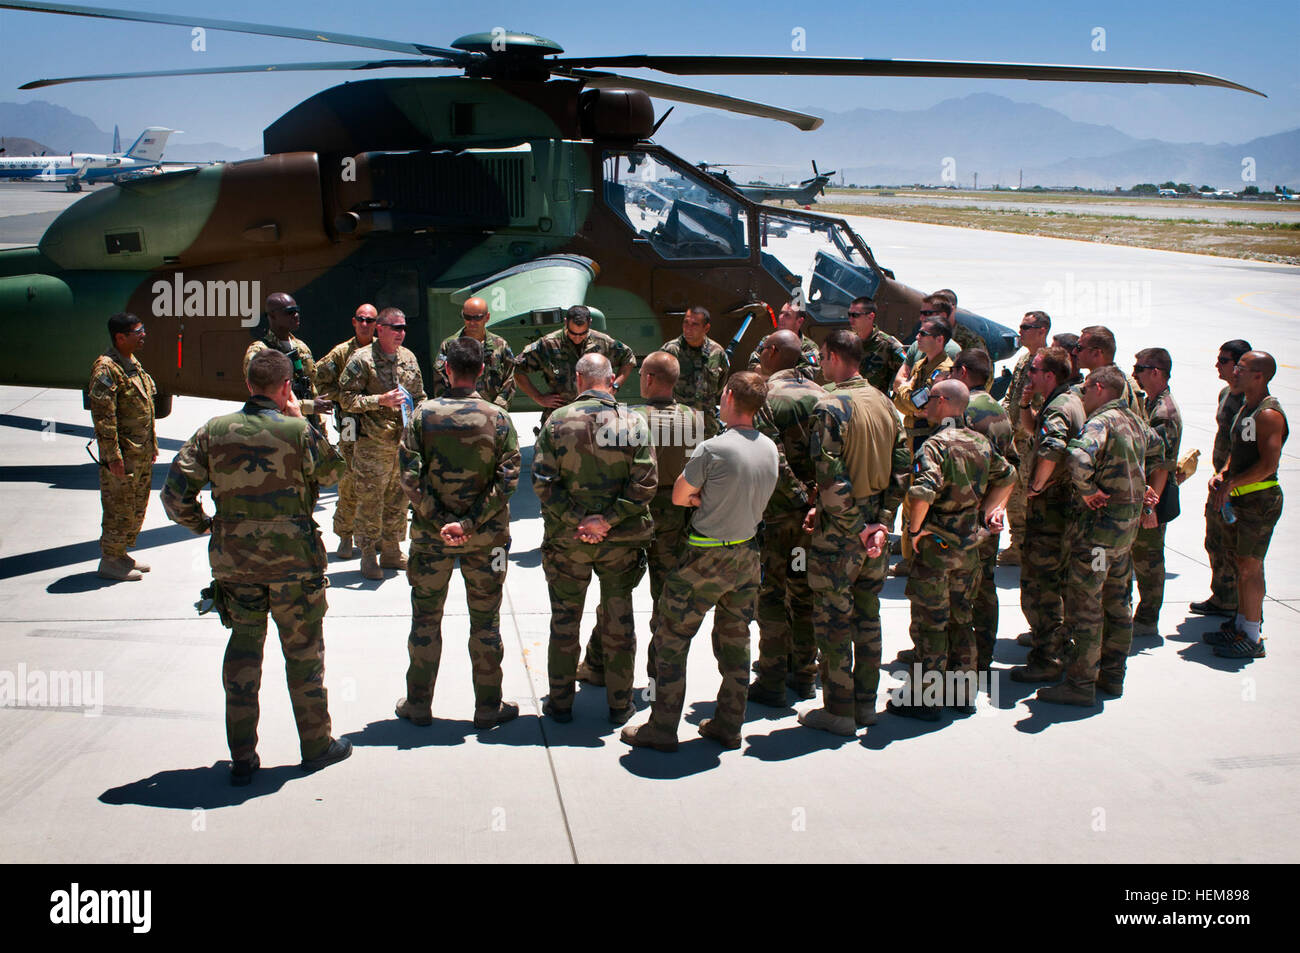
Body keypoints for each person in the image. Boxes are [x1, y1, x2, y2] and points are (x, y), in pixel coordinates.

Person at [161, 348, 351, 785]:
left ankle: (243, 758)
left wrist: (208, 525)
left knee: (244, 658)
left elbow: (174, 496)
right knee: (304, 658)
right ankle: (316, 747)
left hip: (237, 567)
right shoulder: (298, 430)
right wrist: (302, 418)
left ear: (248, 385)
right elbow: (335, 473)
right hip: (295, 568)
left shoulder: (214, 430)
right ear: (286, 387)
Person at [621, 372, 779, 752]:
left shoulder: (714, 448)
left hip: (705, 555)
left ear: (728, 397)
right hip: (746, 553)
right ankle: (729, 724)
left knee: (671, 639)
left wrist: (701, 499)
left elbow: (679, 495)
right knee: (736, 641)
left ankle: (662, 726)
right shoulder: (770, 447)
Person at [395, 337, 522, 728]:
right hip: (486, 541)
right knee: (486, 623)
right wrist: (468, 524)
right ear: (482, 370)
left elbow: (408, 478)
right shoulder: (498, 418)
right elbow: (509, 480)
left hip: (432, 540)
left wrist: (440, 522)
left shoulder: (422, 416)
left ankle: (418, 704)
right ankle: (488, 707)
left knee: (425, 620)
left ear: (446, 369)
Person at [533, 353, 656, 723]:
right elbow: (645, 483)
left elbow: (542, 482)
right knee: (619, 619)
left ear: (579, 378)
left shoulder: (557, 421)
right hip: (619, 543)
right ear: (611, 380)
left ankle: (560, 704)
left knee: (564, 621)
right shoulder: (633, 421)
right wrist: (609, 520)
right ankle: (620, 705)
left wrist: (579, 521)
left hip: (568, 542)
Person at [801, 330, 910, 734]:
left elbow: (830, 476)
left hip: (842, 530)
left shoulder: (829, 406)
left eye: (823, 358)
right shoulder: (883, 402)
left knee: (833, 621)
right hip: (876, 527)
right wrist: (881, 522)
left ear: (831, 356)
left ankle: (839, 710)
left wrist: (855, 527)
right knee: (867, 616)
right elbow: (903, 468)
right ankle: (865, 706)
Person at [891, 379, 1015, 720]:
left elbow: (922, 493)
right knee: (962, 619)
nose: (925, 404)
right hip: (969, 549)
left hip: (936, 550)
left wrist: (915, 531)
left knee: (931, 623)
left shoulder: (935, 446)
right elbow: (1008, 476)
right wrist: (989, 511)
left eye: (930, 398)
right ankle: (962, 695)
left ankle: (926, 700)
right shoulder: (981, 443)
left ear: (944, 402)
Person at [578, 352, 704, 685]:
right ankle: (659, 675)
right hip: (677, 517)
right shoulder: (695, 419)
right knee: (667, 599)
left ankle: (597, 664)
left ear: (648, 379)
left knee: (616, 595)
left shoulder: (627, 418)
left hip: (633, 512)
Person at [1036, 366, 1150, 704]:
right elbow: (1159, 453)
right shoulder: (1136, 422)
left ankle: (1080, 685)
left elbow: (1078, 453)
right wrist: (1145, 490)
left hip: (1098, 532)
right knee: (1118, 603)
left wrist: (1086, 489)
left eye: (1086, 390)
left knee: (1086, 608)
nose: (1082, 396)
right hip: (1125, 532)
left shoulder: (1103, 421)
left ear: (1100, 388)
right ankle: (1112, 677)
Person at [749, 330, 825, 705]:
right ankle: (805, 673)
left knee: (771, 595)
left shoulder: (765, 397)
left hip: (779, 516)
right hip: (817, 516)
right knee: (805, 590)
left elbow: (768, 456)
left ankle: (773, 677)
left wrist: (796, 500)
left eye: (763, 348)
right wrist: (816, 500)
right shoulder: (825, 395)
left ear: (774, 351)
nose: (760, 354)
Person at [1204, 351, 1288, 660]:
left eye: (1242, 368)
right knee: (1240, 564)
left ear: (1259, 376)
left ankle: (1252, 637)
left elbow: (1268, 464)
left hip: (1259, 501)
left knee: (1251, 568)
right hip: (1239, 498)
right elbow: (1235, 452)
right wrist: (1223, 474)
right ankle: (1240, 625)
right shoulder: (1246, 408)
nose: (1234, 372)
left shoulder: (1268, 415)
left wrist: (1233, 483)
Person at [1009, 346, 1085, 682]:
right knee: (1056, 581)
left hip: (1050, 511)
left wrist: (1036, 487)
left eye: (1035, 370)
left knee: (1039, 586)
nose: (1030, 375)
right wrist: (1026, 404)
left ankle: (1048, 657)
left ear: (1050, 375)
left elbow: (1052, 447)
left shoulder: (1058, 407)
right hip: (1063, 510)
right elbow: (1031, 429)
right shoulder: (1066, 400)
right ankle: (1058, 645)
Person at [339, 307, 426, 580]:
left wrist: (420, 418)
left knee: (398, 499)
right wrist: (379, 400)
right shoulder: (361, 360)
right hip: (372, 445)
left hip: (401, 443)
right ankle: (367, 554)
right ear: (380, 328)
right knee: (370, 500)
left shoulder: (408, 358)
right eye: (395, 328)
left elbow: (419, 395)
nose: (401, 333)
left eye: (403, 328)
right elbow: (345, 399)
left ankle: (391, 550)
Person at [949, 349, 1018, 677]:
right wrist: (998, 507)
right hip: (990, 512)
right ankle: (983, 656)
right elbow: (1011, 465)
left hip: (965, 516)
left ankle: (957, 661)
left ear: (962, 372)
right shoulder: (999, 411)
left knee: (958, 591)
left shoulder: (964, 410)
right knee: (985, 585)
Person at [89, 312, 158, 581]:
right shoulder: (106, 368)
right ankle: (109, 561)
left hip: (139, 452)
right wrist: (112, 457)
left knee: (135, 506)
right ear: (120, 337)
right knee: (118, 507)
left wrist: (151, 445)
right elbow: (104, 418)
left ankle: (120, 555)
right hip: (123, 457)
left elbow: (145, 408)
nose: (143, 335)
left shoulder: (132, 364)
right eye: (137, 331)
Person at [890, 309, 956, 580]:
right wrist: (910, 398)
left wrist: (910, 399)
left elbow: (920, 404)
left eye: (923, 333)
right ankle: (909, 557)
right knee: (908, 498)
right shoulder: (922, 365)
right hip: (913, 436)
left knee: (919, 498)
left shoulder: (944, 369)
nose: (917, 337)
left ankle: (916, 557)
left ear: (939, 339)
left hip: (927, 440)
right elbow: (900, 398)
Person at [1189, 339, 1252, 617]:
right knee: (1214, 541)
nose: (1217, 364)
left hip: (1236, 486)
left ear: (1240, 366)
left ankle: (1236, 604)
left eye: (1224, 360)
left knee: (1232, 546)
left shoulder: (1249, 402)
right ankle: (1222, 596)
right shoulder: (1226, 393)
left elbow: (1246, 448)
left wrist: (1228, 478)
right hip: (1219, 482)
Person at [315, 302, 377, 558]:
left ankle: (378, 538)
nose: (365, 324)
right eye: (361, 319)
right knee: (349, 481)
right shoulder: (341, 353)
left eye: (370, 320)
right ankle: (345, 535)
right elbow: (318, 380)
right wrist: (344, 398)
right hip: (351, 424)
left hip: (377, 426)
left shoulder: (382, 350)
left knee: (379, 484)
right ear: (354, 322)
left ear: (377, 325)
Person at [1130, 348, 1183, 638]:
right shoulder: (1150, 404)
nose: (1135, 373)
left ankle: (1148, 619)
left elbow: (1160, 465)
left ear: (1156, 372)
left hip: (1153, 496)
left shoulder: (1164, 413)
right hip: (1147, 493)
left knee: (1148, 561)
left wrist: (1149, 508)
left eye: (1140, 368)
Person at [515, 305, 636, 426]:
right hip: (561, 418)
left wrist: (615, 386)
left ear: (590, 323)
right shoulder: (548, 344)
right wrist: (538, 397)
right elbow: (517, 367)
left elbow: (628, 358)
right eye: (573, 333)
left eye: (582, 333)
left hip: (596, 417)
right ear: (566, 322)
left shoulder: (603, 342)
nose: (577, 338)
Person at [999, 310, 1051, 567]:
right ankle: (1017, 541)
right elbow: (1010, 396)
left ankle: (1025, 544)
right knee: (1013, 493)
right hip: (1015, 439)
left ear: (1042, 331)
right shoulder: (1023, 360)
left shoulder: (1048, 364)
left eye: (1026, 327)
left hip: (1032, 441)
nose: (1020, 331)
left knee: (1026, 493)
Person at [243, 292, 331, 421]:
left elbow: (310, 386)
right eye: (289, 312)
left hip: (307, 425)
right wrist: (308, 406)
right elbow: (263, 400)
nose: (296, 315)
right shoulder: (259, 352)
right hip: (277, 427)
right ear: (272, 315)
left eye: (297, 311)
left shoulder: (300, 347)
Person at [432, 296, 516, 410]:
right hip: (457, 412)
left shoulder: (500, 346)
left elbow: (509, 379)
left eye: (477, 318)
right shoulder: (450, 345)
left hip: (491, 413)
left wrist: (496, 409)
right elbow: (440, 378)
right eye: (467, 317)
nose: (472, 322)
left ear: (487, 317)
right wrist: (450, 408)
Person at [661, 305, 730, 436]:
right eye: (685, 323)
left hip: (707, 426)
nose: (688, 328)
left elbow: (721, 384)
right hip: (679, 426)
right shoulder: (670, 351)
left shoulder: (717, 352)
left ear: (706, 328)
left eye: (694, 324)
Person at [1071, 325, 1145, 415]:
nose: (1074, 352)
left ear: (1096, 353)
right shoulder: (1124, 381)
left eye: (1079, 348)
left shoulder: (1110, 386)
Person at [747, 299, 821, 381]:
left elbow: (805, 377)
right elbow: (752, 365)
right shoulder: (768, 339)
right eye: (781, 313)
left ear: (799, 321)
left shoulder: (808, 347)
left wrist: (767, 375)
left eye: (787, 315)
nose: (781, 318)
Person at [846, 296, 906, 395]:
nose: (851, 319)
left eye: (855, 315)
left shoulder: (889, 345)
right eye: (849, 315)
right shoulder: (848, 342)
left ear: (870, 316)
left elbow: (907, 372)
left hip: (875, 404)